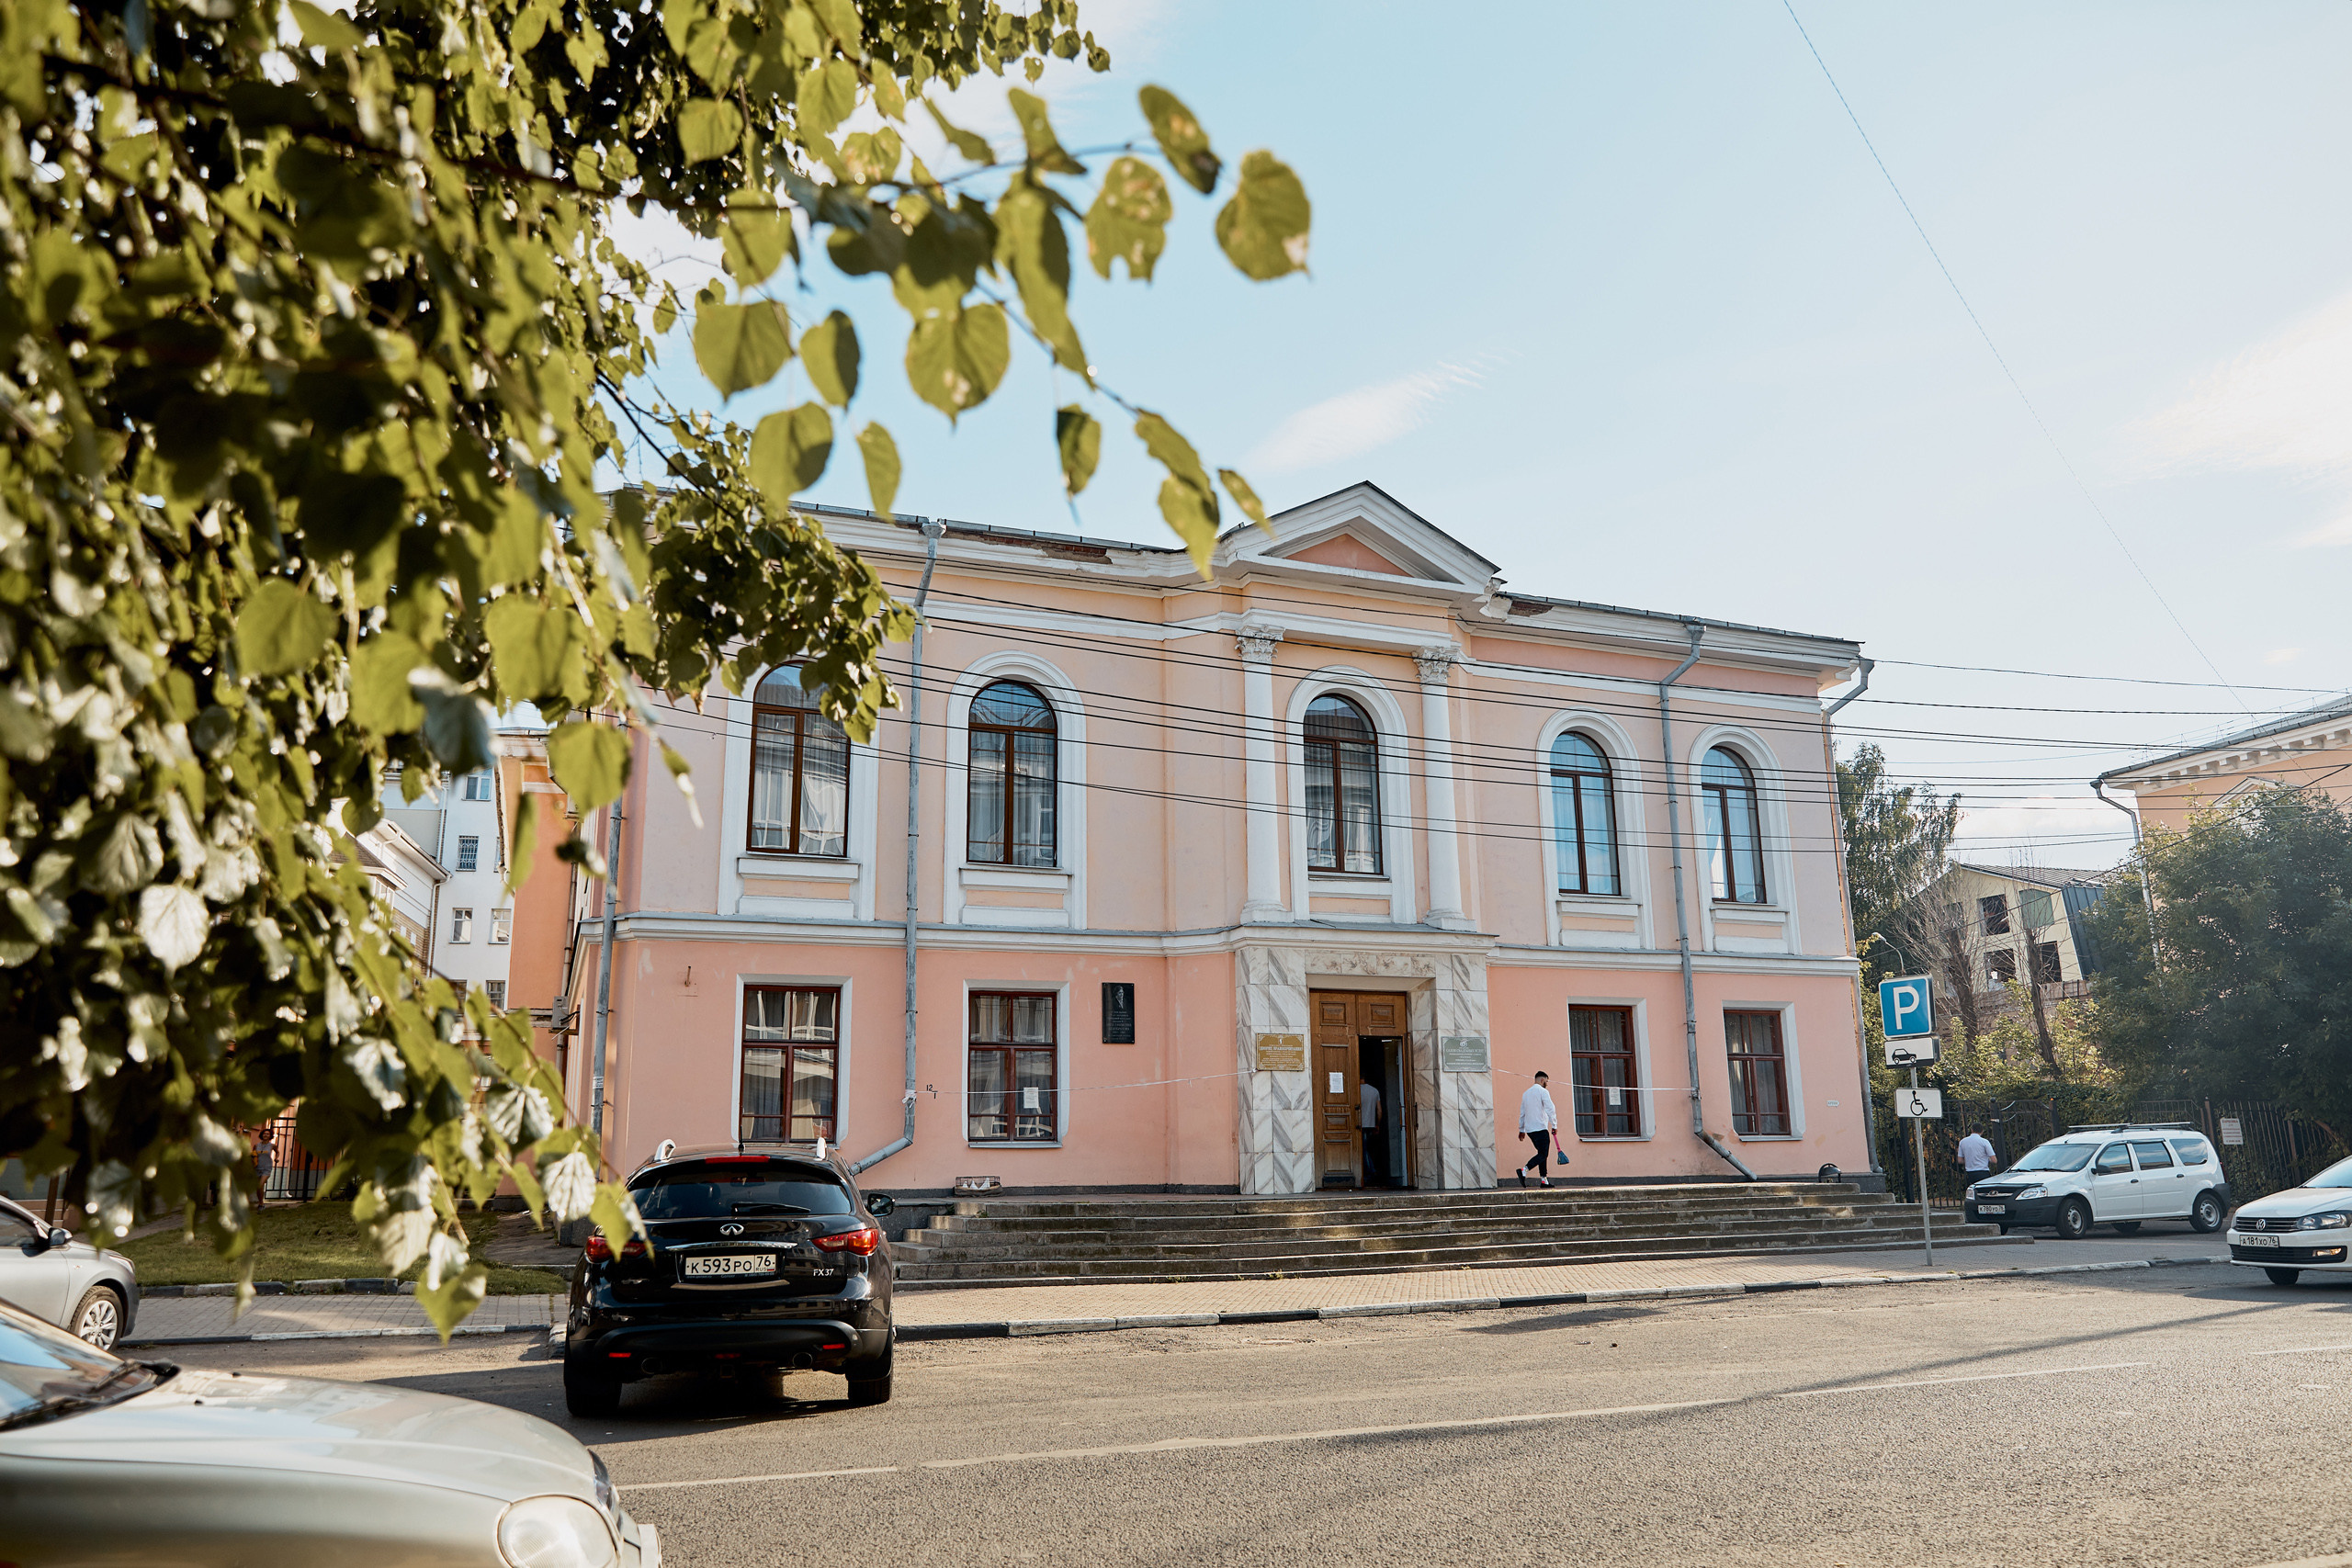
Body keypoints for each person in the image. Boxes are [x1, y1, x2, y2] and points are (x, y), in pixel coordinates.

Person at [1516, 1071, 1561, 1189]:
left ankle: (1544, 1180)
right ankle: (1524, 1170)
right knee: (1543, 1153)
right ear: (1542, 1080)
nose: (1547, 1084)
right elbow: (1551, 1109)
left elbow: (1522, 1113)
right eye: (1546, 1081)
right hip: (1541, 1127)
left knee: (1541, 1153)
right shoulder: (1543, 1091)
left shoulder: (1526, 1094)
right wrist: (1554, 1125)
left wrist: (1522, 1130)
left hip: (1530, 1130)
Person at [1358, 1077, 1385, 1187]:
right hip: (1370, 1124)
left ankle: (1371, 1171)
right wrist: (1377, 1125)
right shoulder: (1374, 1091)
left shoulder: (1355, 1090)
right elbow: (1379, 1111)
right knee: (1366, 1149)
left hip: (1359, 1125)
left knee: (1363, 1150)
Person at [254, 1129, 276, 1207]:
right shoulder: (256, 1145)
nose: (265, 1135)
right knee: (258, 1187)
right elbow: (254, 1155)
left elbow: (278, 1152)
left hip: (267, 1168)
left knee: (260, 1185)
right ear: (262, 1135)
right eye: (264, 1134)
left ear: (270, 1136)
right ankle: (260, 1202)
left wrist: (277, 1158)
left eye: (267, 1134)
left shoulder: (272, 1146)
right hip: (257, 1168)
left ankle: (261, 1204)